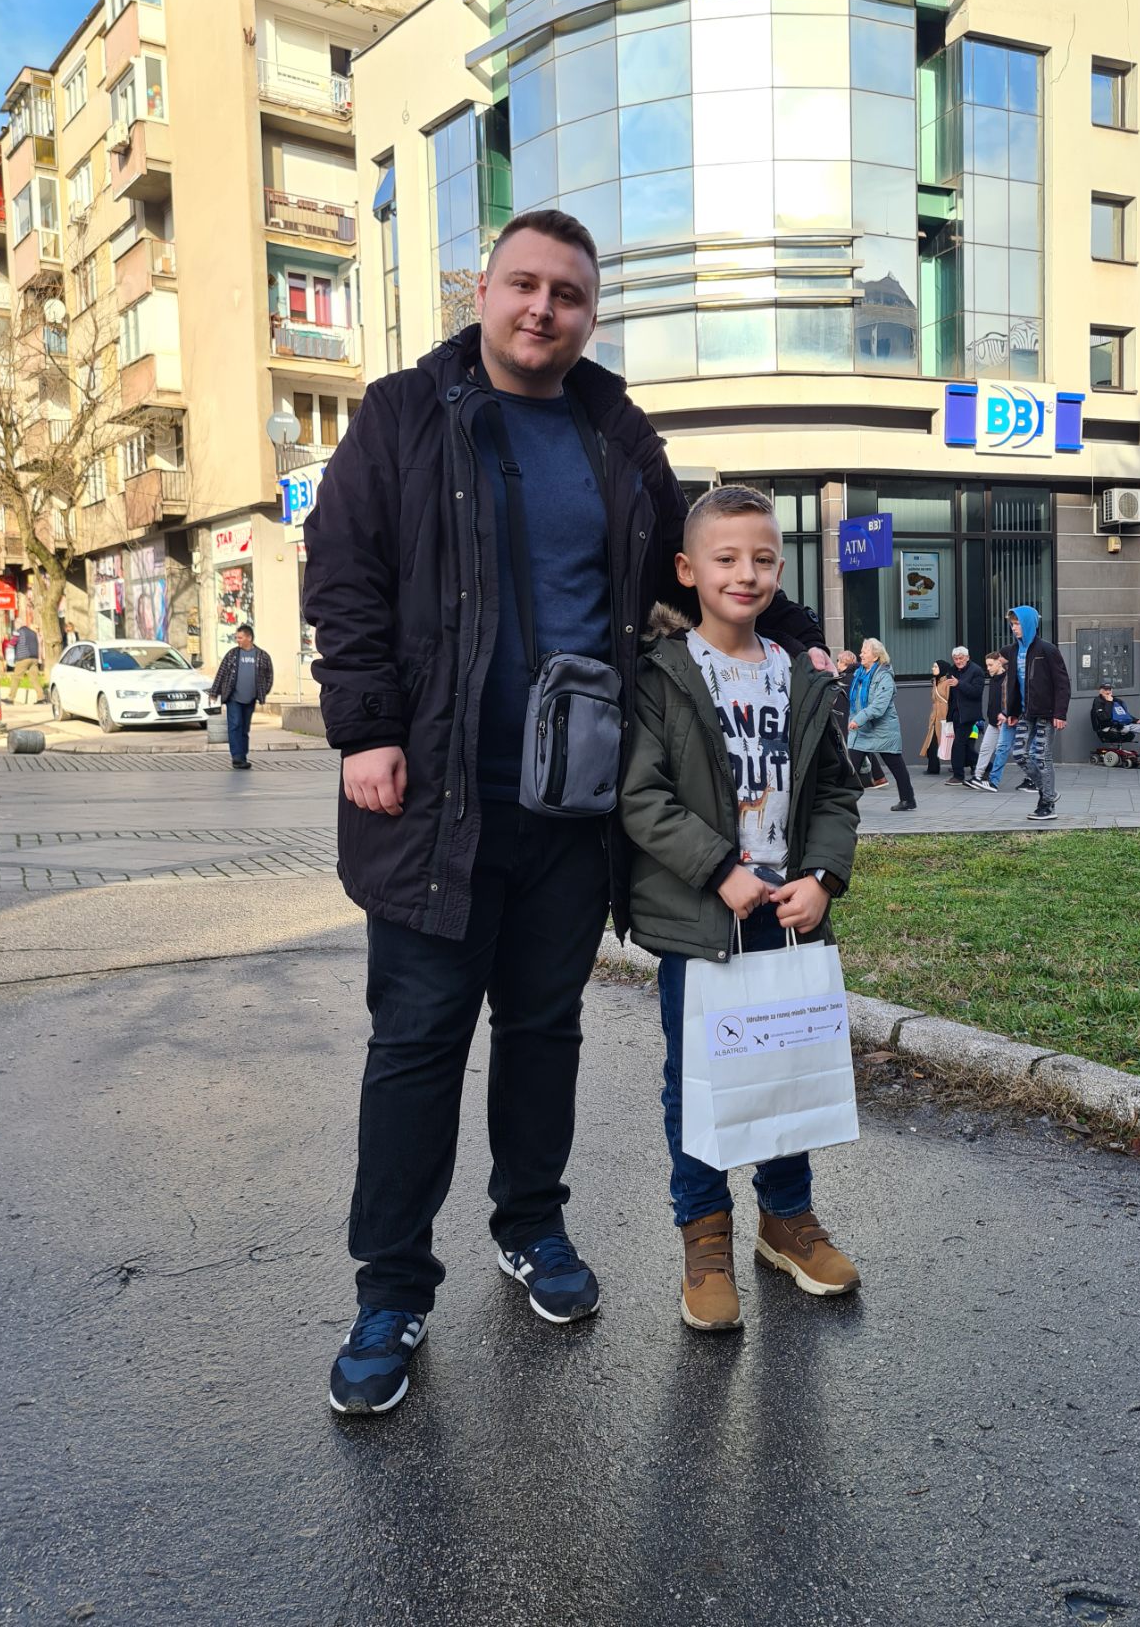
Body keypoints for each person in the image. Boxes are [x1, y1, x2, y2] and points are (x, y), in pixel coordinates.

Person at [302, 209, 827, 1414]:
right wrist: (365, 725)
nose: (545, 309)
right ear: (484, 292)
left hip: (574, 804)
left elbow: (688, 564)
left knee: (545, 1030)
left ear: (591, 313)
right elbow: (344, 570)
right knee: (418, 1046)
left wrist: (798, 636)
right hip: (433, 800)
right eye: (525, 286)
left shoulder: (611, 429)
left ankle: (531, 1226)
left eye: (570, 295)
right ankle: (391, 1291)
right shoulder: (403, 414)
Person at [620, 487, 862, 1331]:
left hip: (789, 917)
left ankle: (786, 1221)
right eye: (725, 559)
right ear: (688, 571)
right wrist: (719, 868)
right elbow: (641, 796)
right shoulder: (661, 673)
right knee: (701, 1083)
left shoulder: (802, 675)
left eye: (762, 558)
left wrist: (822, 876)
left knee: (786, 1069)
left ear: (780, 569)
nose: (745, 574)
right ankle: (706, 1235)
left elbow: (835, 791)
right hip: (703, 919)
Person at [1004, 605, 1070, 821]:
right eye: (1012, 624)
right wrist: (1012, 711)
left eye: (1018, 624)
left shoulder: (1047, 650)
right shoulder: (1013, 651)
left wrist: (1060, 714)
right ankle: (1049, 792)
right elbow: (1013, 683)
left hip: (1047, 713)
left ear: (1029, 624)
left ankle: (1047, 805)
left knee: (1041, 756)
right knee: (1019, 754)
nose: (1014, 628)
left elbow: (1062, 683)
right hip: (1025, 713)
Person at [847, 637, 916, 812]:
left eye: (865, 651)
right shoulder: (859, 674)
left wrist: (858, 719)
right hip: (863, 730)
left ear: (876, 656)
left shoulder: (884, 676)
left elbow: (879, 706)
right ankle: (843, 804)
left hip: (883, 729)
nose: (861, 654)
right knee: (850, 767)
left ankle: (908, 800)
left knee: (896, 766)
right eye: (861, 651)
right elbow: (855, 702)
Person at [208, 624, 273, 770]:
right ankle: (236, 757)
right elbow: (221, 673)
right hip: (233, 698)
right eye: (236, 638)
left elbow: (269, 676)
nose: (237, 640)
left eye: (240, 637)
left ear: (249, 638)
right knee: (235, 724)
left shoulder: (262, 656)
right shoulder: (232, 654)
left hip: (250, 699)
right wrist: (214, 692)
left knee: (244, 728)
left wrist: (262, 692)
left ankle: (242, 756)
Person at [841, 646, 888, 789]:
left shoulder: (846, 679)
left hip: (851, 718)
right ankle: (878, 777)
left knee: (856, 747)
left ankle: (849, 782)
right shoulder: (860, 676)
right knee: (862, 746)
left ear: (844, 662)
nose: (837, 663)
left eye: (838, 660)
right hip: (861, 716)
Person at [966, 650, 1010, 792]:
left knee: (1011, 752)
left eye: (991, 665)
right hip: (993, 722)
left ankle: (1032, 779)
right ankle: (977, 777)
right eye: (987, 665)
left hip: (1006, 722)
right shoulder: (993, 679)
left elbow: (1010, 700)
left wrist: (1006, 715)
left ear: (999, 663)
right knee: (985, 748)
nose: (988, 668)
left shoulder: (1008, 679)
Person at [943, 644, 984, 784]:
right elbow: (951, 695)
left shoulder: (976, 671)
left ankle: (958, 775)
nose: (958, 661)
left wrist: (959, 683)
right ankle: (986, 767)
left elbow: (976, 692)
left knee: (958, 744)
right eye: (955, 659)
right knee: (965, 746)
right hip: (956, 713)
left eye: (960, 658)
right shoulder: (952, 670)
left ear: (967, 658)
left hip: (969, 714)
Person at [1091, 682, 1140, 752]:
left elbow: (1124, 715)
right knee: (1124, 729)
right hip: (1110, 728)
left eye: (1109, 689)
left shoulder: (1117, 701)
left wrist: (1136, 720)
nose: (1108, 692)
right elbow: (1105, 718)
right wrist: (1109, 703)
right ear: (1100, 691)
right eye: (1105, 690)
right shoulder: (1098, 701)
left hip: (1125, 725)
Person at [920, 657, 951, 774]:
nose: (933, 668)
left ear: (942, 668)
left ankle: (972, 764)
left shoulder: (948, 683)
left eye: (935, 666)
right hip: (935, 718)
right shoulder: (935, 682)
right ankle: (933, 768)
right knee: (932, 743)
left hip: (945, 717)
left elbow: (951, 700)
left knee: (951, 742)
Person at [10, 620, 44, 705]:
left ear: (18, 624)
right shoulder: (33, 633)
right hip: (34, 658)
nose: (15, 626)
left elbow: (12, 643)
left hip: (23, 658)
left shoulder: (18, 632)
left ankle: (10, 698)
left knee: (16, 677)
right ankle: (41, 697)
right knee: (34, 679)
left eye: (15, 625)